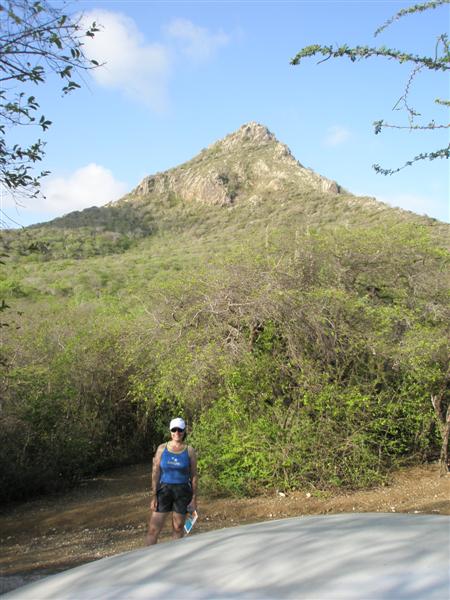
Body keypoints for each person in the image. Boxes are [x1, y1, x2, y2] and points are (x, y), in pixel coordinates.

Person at [145, 417, 198, 545]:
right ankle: (147, 559)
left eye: (180, 430)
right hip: (164, 491)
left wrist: (194, 498)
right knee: (153, 529)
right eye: (174, 430)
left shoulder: (189, 450)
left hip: (182, 491)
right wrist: (154, 496)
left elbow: (194, 475)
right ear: (170, 431)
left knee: (178, 528)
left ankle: (175, 559)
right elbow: (155, 472)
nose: (177, 433)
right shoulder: (162, 449)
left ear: (184, 431)